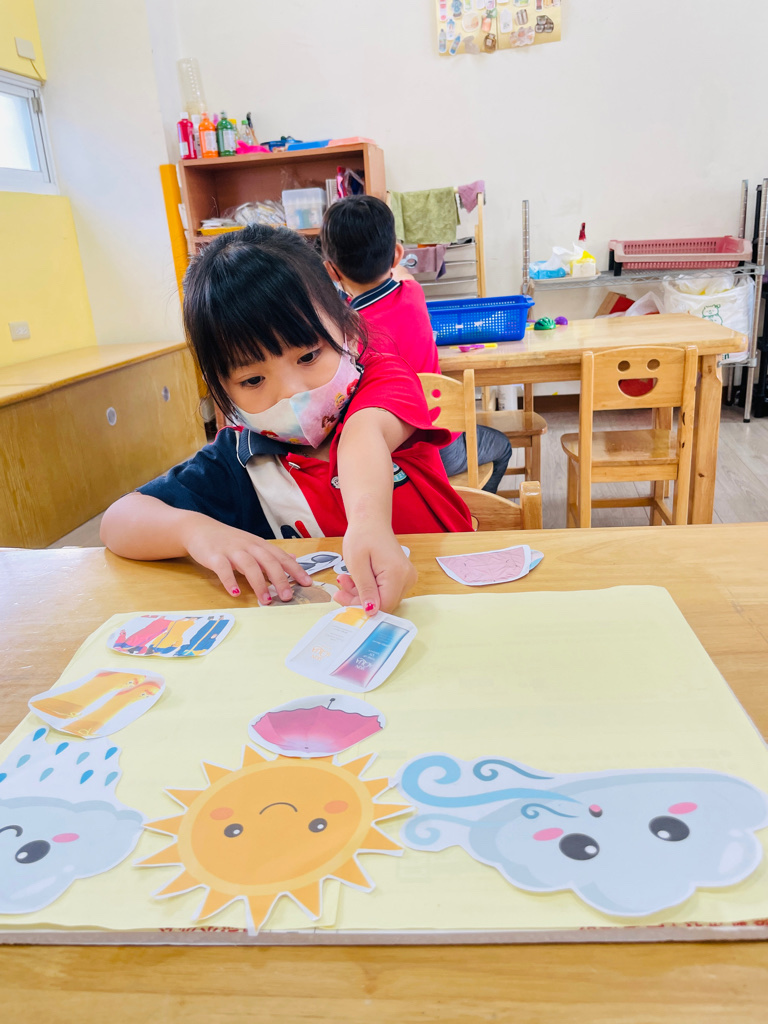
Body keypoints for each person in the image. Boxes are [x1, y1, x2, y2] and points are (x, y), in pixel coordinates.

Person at [100, 225, 472, 615]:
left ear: (346, 328)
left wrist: (368, 524)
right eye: (253, 380)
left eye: (308, 356)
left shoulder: (384, 378)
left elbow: (363, 437)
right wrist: (194, 532)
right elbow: (118, 520)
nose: (291, 391)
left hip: (453, 601)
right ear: (221, 387)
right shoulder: (239, 457)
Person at [321, 195, 512, 493]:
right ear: (397, 255)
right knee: (502, 447)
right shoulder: (413, 294)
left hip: (382, 457)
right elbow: (401, 274)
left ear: (331, 271)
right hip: (438, 451)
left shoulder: (342, 332)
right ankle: (476, 511)